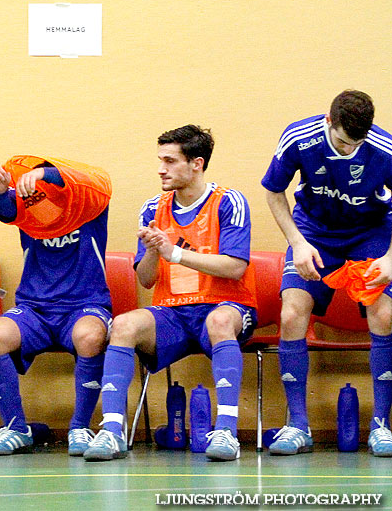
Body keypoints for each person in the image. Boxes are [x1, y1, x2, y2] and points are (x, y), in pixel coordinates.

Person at [83, 125, 255, 462]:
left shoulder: (229, 201)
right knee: (123, 325)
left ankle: (226, 433)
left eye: (170, 160)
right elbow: (146, 280)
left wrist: (175, 253)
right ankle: (112, 432)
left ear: (197, 164)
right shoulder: (152, 209)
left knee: (220, 321)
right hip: (173, 313)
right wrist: (152, 251)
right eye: (160, 160)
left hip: (225, 306)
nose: (161, 168)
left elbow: (235, 267)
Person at [262, 90, 392, 457]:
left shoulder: (385, 148)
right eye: (342, 143)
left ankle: (381, 427)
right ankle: (298, 425)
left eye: (357, 144)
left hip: (370, 233)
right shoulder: (299, 138)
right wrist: (297, 243)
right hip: (314, 232)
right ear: (328, 121)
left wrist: (391, 257)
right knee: (290, 313)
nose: (349, 151)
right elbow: (273, 192)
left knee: (385, 313)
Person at [0, 155, 113, 455]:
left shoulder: (89, 206)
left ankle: (80, 427)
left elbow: (100, 179)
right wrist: (1, 191)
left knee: (90, 336)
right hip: (34, 309)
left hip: (84, 305)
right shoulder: (29, 209)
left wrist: (45, 173)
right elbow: (4, 211)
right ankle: (16, 428)